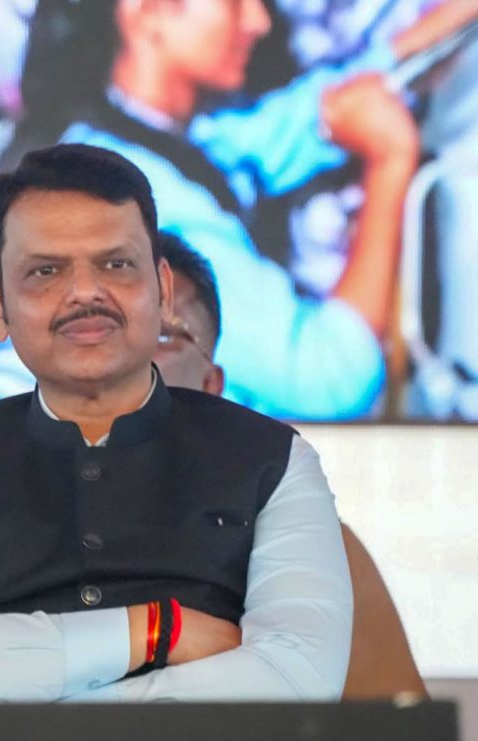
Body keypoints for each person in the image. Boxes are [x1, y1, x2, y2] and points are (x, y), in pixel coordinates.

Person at [0, 143, 352, 702]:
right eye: (45, 271)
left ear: (163, 292)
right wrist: (161, 630)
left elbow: (295, 683)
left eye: (116, 265)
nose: (85, 293)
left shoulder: (274, 461)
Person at [0, 0, 478, 420]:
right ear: (148, 13)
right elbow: (332, 379)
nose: (259, 21)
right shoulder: (140, 200)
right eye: (235, 3)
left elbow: (319, 112)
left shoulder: (130, 137)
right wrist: (390, 162)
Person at [153, 232, 427, 700]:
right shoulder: (15, 521)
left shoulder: (309, 545)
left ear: (211, 382)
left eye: (162, 335)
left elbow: (398, 719)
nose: (130, 360)